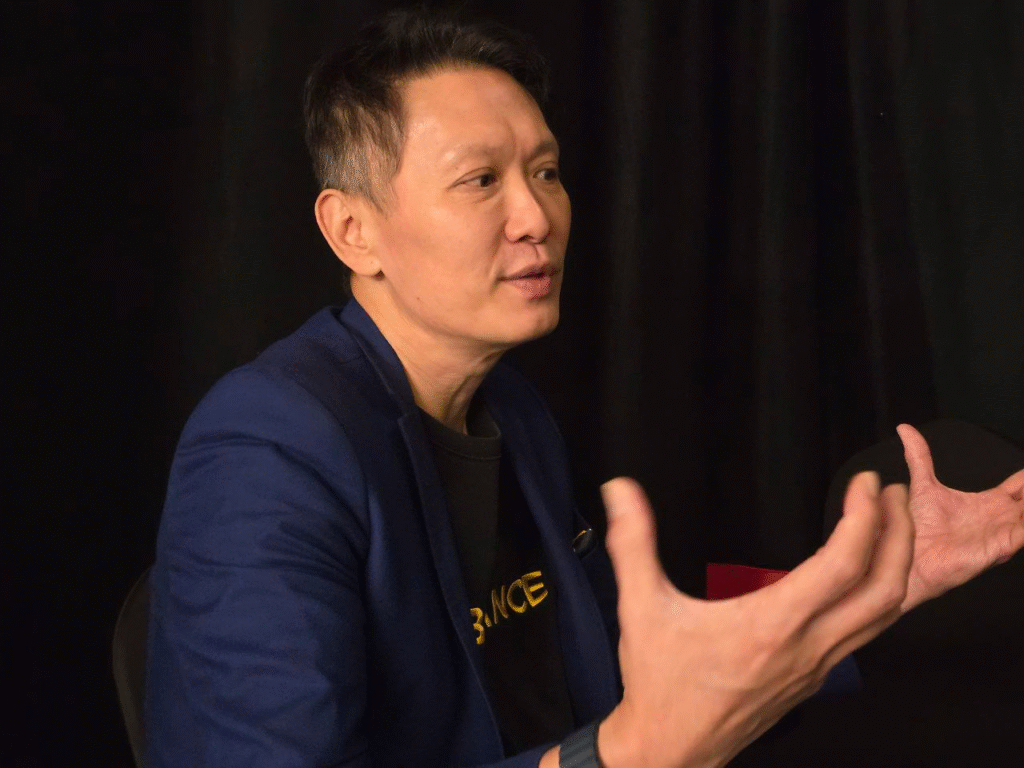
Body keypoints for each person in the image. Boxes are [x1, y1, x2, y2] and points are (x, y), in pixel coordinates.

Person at [146, 9, 1024, 768]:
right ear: (352, 230)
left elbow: (629, 666)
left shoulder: (511, 410)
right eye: (480, 181)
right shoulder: (265, 452)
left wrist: (868, 582)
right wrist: (627, 753)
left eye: (545, 171)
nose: (537, 217)